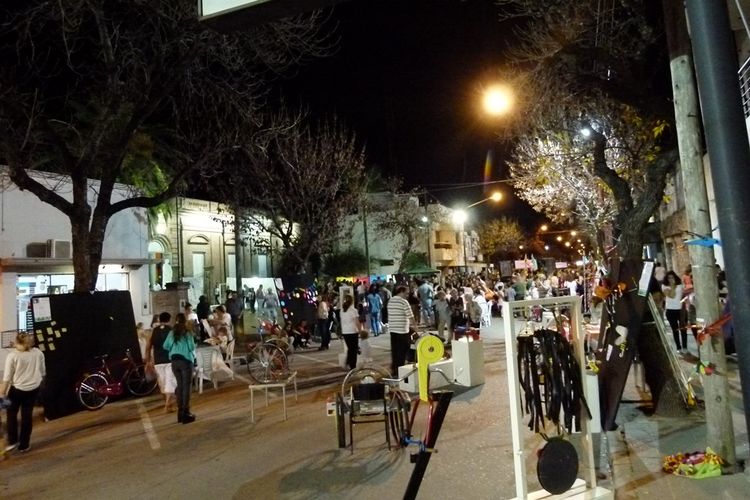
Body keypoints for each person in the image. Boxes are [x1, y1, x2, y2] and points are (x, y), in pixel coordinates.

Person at [1, 332, 46, 453]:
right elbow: (42, 372)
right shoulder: (38, 353)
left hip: (17, 390)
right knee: (27, 415)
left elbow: (7, 378)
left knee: (11, 414)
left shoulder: (12, 356)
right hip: (34, 388)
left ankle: (12, 441)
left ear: (17, 342)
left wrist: (2, 393)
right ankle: (24, 445)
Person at [163, 313, 197, 424]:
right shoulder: (187, 332)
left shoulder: (171, 333)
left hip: (174, 361)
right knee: (186, 388)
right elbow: (191, 347)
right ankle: (186, 413)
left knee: (180, 386)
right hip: (185, 360)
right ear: (185, 321)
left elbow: (165, 346)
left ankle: (180, 413)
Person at [145, 312, 176, 413]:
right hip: (169, 359)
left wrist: (148, 360)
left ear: (159, 320)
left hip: (158, 361)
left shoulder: (154, 331)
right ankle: (167, 405)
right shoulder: (171, 330)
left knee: (162, 383)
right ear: (169, 319)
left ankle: (168, 404)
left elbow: (148, 347)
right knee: (170, 381)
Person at [387, 285, 415, 375]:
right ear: (401, 292)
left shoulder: (390, 301)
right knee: (402, 351)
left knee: (395, 351)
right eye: (406, 293)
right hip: (402, 330)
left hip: (393, 329)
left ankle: (394, 369)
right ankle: (400, 369)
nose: (407, 295)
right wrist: (415, 327)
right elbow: (410, 316)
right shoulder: (404, 302)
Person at [663, 271, 687, 354]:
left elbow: (683, 295)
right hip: (670, 310)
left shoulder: (680, 285)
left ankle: (685, 347)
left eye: (672, 277)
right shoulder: (664, 286)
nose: (671, 279)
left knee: (683, 329)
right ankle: (678, 347)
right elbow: (672, 296)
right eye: (669, 278)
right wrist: (672, 286)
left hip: (681, 310)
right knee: (675, 329)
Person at [340, 295, 362, 370]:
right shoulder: (353, 310)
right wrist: (360, 331)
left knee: (350, 348)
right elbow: (357, 322)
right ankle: (353, 366)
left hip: (345, 332)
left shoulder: (342, 311)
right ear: (352, 301)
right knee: (354, 349)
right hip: (352, 331)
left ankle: (348, 363)